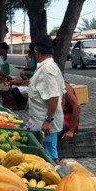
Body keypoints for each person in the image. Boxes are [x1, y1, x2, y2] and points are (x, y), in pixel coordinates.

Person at [27, 35, 66, 165]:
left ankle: (59, 180)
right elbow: (62, 94)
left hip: (46, 124)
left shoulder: (47, 69)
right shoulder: (51, 66)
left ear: (37, 51)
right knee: (28, 137)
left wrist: (48, 120)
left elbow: (54, 96)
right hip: (37, 121)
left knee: (51, 156)